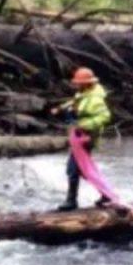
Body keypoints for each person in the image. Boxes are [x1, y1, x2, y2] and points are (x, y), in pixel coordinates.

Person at [50, 67, 113, 211]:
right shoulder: (83, 94)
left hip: (87, 137)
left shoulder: (95, 99)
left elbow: (105, 117)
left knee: (73, 169)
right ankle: (105, 194)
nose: (76, 85)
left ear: (86, 83)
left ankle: (71, 201)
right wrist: (60, 109)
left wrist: (84, 125)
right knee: (84, 170)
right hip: (79, 136)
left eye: (78, 83)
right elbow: (75, 102)